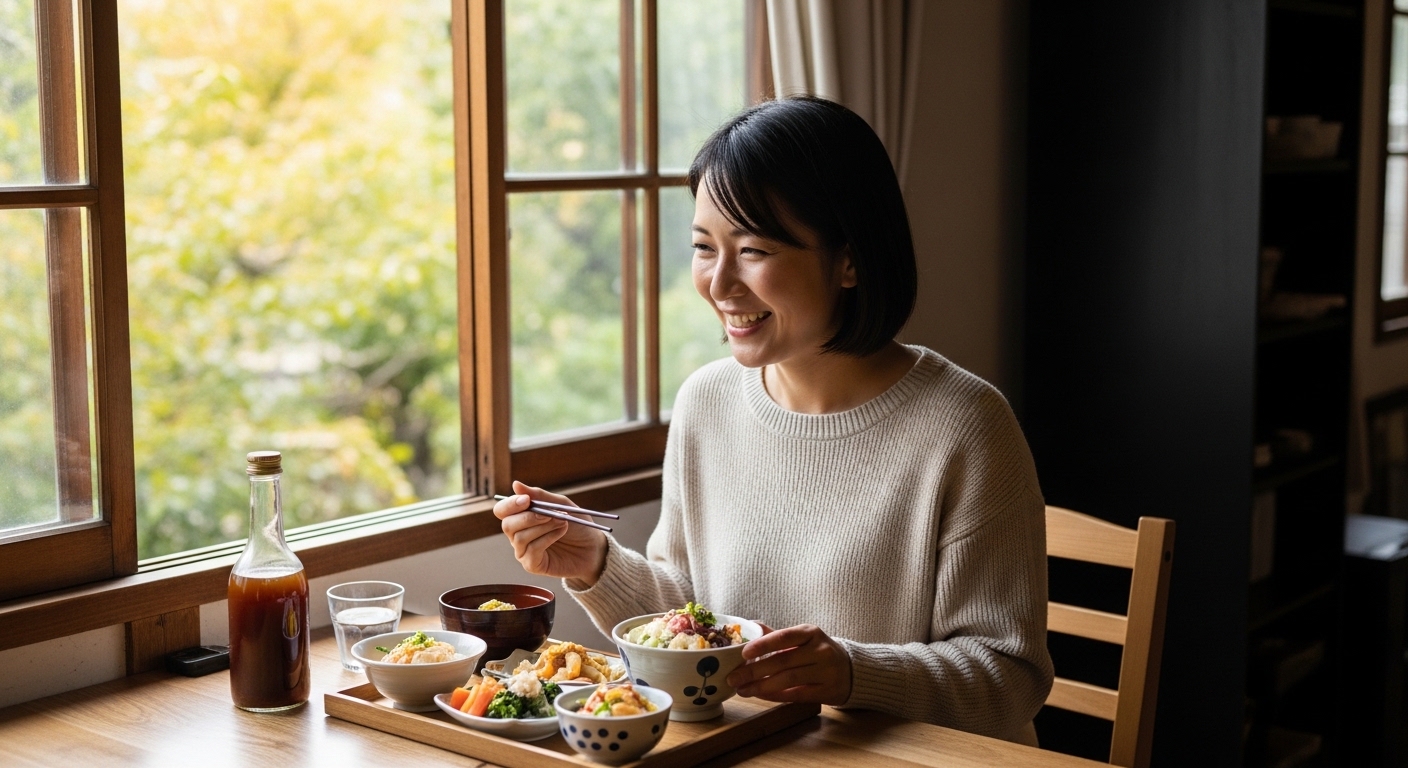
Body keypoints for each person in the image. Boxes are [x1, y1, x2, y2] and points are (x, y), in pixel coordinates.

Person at [494, 96, 1052, 745]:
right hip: (754, 752)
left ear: (849, 259)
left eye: (753, 250)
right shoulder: (707, 401)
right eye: (705, 247)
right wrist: (596, 565)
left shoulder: (964, 424)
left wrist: (852, 673)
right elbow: (690, 626)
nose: (720, 284)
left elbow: (1009, 679)